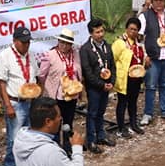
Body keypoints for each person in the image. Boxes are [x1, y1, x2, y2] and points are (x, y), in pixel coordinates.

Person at [0, 25, 37, 166]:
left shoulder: (31, 56)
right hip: (15, 103)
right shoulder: (4, 56)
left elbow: (35, 77)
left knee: (29, 135)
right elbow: (1, 83)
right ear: (15, 41)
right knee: (14, 138)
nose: (26, 45)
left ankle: (26, 165)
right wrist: (8, 105)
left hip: (30, 101)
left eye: (28, 42)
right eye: (23, 42)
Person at [38, 28, 83, 152]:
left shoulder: (75, 54)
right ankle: (56, 149)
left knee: (68, 122)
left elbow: (78, 71)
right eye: (62, 42)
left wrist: (79, 90)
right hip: (56, 96)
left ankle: (68, 146)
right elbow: (42, 75)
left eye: (67, 43)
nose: (64, 45)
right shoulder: (50, 55)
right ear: (58, 41)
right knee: (55, 123)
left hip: (71, 94)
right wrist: (49, 87)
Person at [79, 18, 117, 154]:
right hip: (94, 87)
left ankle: (101, 136)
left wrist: (112, 81)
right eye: (97, 32)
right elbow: (87, 72)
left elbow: (112, 65)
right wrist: (102, 85)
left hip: (106, 85)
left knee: (101, 112)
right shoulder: (85, 49)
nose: (100, 34)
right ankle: (91, 141)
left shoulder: (107, 45)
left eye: (102, 31)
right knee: (92, 113)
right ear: (91, 34)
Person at [111, 18, 146, 138]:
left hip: (136, 78)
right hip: (124, 79)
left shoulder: (139, 43)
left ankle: (133, 124)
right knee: (122, 103)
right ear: (126, 29)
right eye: (131, 29)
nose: (133, 31)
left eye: (135, 30)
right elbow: (112, 59)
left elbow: (141, 57)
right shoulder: (120, 43)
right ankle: (121, 128)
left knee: (133, 102)